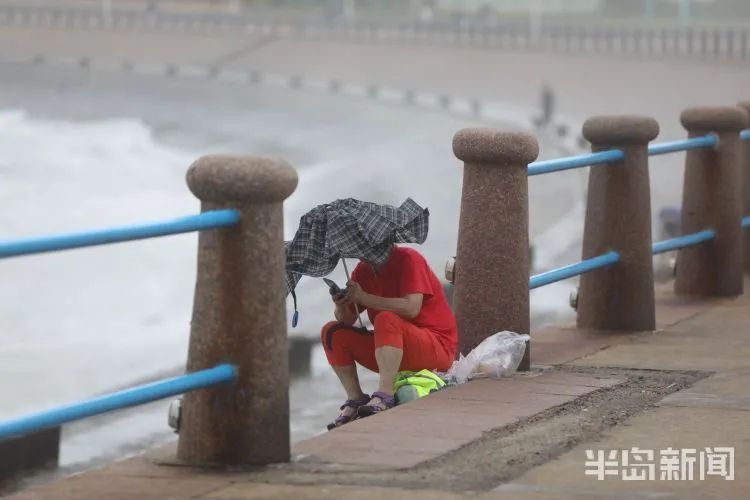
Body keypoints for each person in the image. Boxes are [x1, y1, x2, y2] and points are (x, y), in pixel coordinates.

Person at [320, 244, 458, 429]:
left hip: (435, 347)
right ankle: (356, 398)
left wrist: (365, 298)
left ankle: (385, 393)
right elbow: (347, 320)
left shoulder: (409, 258)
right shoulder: (362, 270)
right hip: (393, 349)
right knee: (332, 332)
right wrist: (341, 304)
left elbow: (411, 308)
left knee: (385, 319)